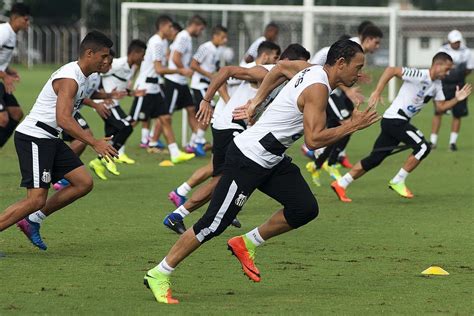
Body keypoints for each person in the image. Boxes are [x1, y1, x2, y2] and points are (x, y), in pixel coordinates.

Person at [143, 39, 379, 304]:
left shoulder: (309, 67)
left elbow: (278, 67)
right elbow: (314, 140)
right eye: (357, 67)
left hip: (270, 158)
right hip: (247, 158)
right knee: (213, 224)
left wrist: (256, 101)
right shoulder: (318, 89)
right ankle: (159, 273)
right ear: (340, 63)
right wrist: (352, 125)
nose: (359, 74)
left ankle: (247, 242)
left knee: (304, 208)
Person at [0, 31, 117, 252]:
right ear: (89, 53)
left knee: (83, 182)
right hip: (35, 137)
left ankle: (32, 220)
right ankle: (31, 215)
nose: (106, 60)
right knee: (35, 198)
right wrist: (94, 142)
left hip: (50, 139)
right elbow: (63, 118)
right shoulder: (70, 78)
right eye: (103, 56)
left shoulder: (84, 76)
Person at [163, 41, 283, 235]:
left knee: (220, 177)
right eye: (276, 57)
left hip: (228, 124)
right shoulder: (264, 71)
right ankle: (184, 205)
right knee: (228, 176)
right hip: (229, 124)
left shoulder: (273, 77)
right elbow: (224, 72)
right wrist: (209, 101)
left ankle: (181, 212)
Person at [331, 52, 472, 203]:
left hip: (394, 121)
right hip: (395, 120)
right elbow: (391, 70)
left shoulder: (437, 85)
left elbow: (440, 108)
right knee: (424, 147)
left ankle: (341, 183)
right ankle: (398, 180)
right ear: (437, 65)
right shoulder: (419, 74)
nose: (448, 73)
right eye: (447, 69)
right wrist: (377, 91)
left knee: (375, 159)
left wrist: (457, 99)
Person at [131, 15, 194, 164]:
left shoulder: (162, 42)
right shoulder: (157, 43)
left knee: (166, 118)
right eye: (170, 27)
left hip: (155, 87)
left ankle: (175, 153)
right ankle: (115, 148)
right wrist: (180, 71)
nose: (173, 30)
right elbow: (159, 69)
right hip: (146, 87)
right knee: (133, 121)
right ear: (163, 27)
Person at [89, 41, 148, 179]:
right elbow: (98, 74)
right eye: (142, 55)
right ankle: (102, 159)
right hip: (105, 104)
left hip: (113, 102)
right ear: (135, 53)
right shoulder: (117, 63)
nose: (143, 59)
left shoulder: (130, 68)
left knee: (112, 133)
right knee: (127, 126)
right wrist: (104, 94)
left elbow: (119, 85)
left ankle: (103, 161)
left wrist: (132, 93)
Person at [163, 15, 206, 156]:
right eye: (201, 29)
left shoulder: (183, 37)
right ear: (196, 25)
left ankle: (195, 142)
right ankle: (154, 141)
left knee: (191, 109)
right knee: (165, 115)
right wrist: (184, 70)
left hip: (180, 82)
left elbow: (170, 54)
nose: (201, 32)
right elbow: (175, 57)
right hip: (174, 81)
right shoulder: (184, 37)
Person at [430, 30, 473, 151]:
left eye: (458, 41)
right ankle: (433, 141)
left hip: (458, 84)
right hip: (443, 84)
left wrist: (457, 76)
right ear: (449, 42)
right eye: (454, 42)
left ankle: (452, 142)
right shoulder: (442, 50)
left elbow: (469, 69)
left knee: (457, 114)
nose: (457, 44)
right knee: (438, 112)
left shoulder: (467, 52)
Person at [189, 25, 228, 156]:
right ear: (215, 36)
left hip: (207, 85)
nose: (225, 40)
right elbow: (193, 64)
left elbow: (216, 66)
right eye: (222, 37)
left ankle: (192, 143)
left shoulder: (217, 50)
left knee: (207, 113)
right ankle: (197, 141)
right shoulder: (205, 47)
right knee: (208, 111)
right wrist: (209, 75)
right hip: (199, 85)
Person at [0, 3, 30, 148]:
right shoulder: (4, 32)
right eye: (26, 19)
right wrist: (4, 76)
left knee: (16, 114)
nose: (28, 23)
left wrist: (8, 70)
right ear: (15, 18)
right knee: (3, 119)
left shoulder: (12, 34)